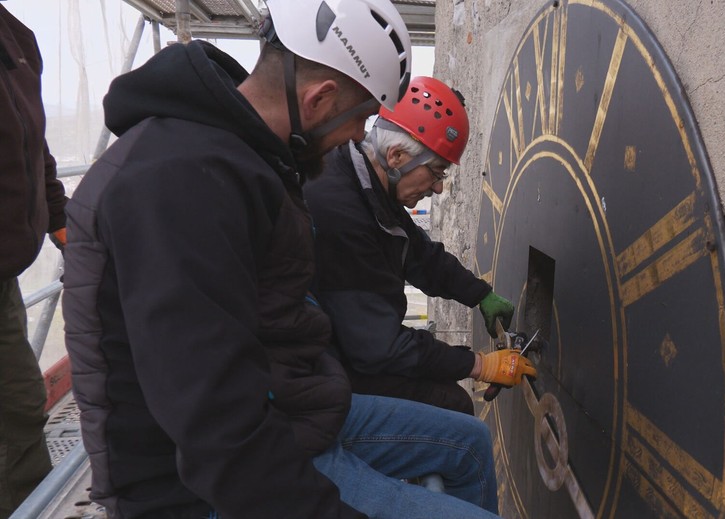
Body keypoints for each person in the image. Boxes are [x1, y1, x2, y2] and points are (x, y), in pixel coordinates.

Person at [62, 1, 501, 518]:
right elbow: (215, 427)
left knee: (469, 445)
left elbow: (413, 250)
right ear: (320, 98)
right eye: (362, 116)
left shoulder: (253, 156)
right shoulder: (180, 184)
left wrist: (479, 294)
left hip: (294, 408)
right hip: (203, 482)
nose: (362, 135)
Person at [304, 76, 536, 416]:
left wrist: (478, 294)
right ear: (397, 156)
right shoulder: (341, 211)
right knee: (453, 409)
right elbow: (379, 348)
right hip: (321, 373)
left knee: (445, 397)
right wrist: (478, 365)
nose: (439, 189)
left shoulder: (368, 186)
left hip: (346, 348)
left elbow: (421, 257)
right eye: (437, 172)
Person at [0, 5, 64, 517]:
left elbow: (33, 144)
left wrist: (62, 222)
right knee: (16, 406)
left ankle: (28, 505)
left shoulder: (16, 37)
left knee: (19, 407)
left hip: (5, 270)